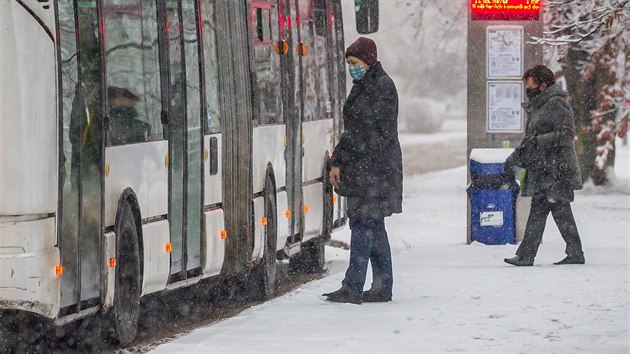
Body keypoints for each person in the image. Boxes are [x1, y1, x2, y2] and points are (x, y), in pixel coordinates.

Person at [322, 37, 403, 304]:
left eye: (354, 63)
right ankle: (382, 286)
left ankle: (352, 287)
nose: (351, 68)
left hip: (374, 171)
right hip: (369, 169)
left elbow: (369, 132)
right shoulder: (365, 85)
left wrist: (346, 159)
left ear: (368, 60)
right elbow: (354, 132)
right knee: (374, 227)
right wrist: (338, 161)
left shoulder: (380, 87)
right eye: (349, 63)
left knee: (362, 225)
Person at [504, 65, 585, 267]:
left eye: (530, 84)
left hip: (556, 169)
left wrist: (540, 141)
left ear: (543, 84)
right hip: (544, 170)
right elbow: (531, 140)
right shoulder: (540, 105)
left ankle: (528, 255)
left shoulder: (557, 104)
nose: (528, 89)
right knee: (552, 211)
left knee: (550, 211)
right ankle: (569, 253)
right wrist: (515, 157)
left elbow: (566, 134)